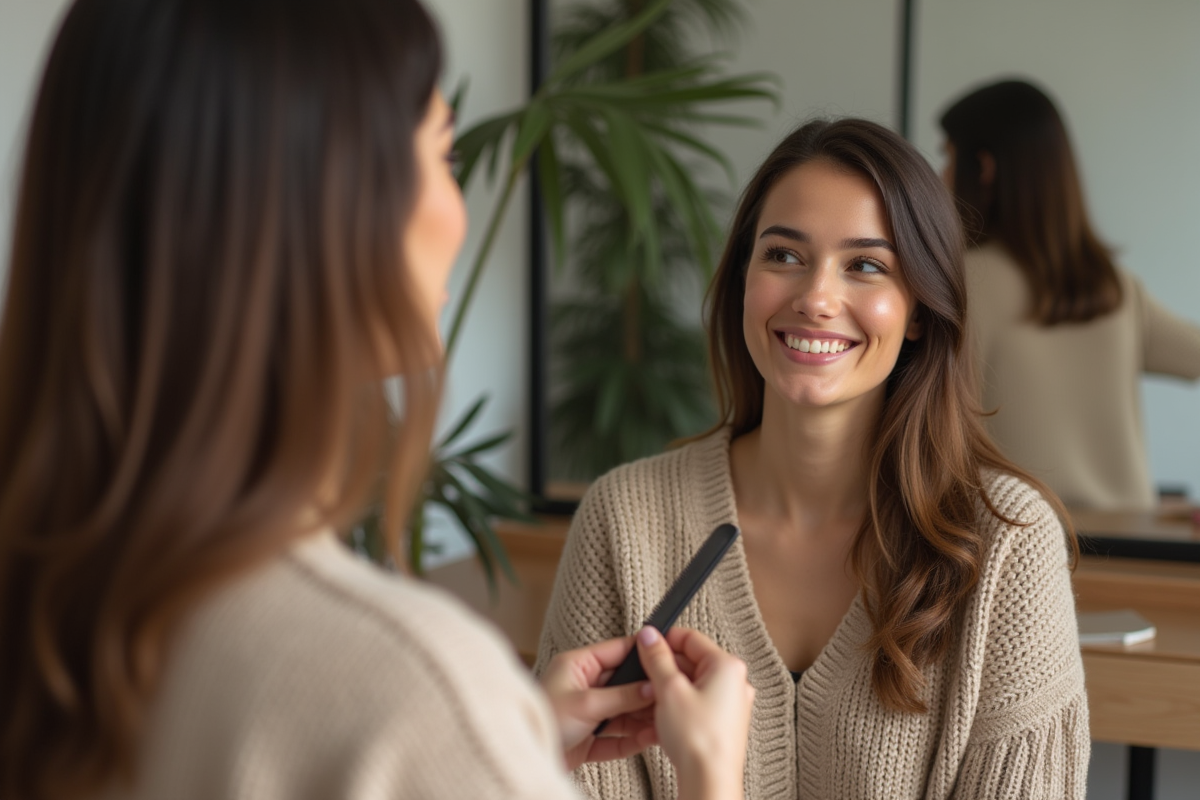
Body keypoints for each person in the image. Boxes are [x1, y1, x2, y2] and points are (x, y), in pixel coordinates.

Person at [0, 1, 756, 799]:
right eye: (444, 153)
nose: (458, 208)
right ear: (326, 209)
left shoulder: (52, 614)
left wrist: (496, 742)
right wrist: (709, 779)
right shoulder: (404, 695)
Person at [536, 118, 1090, 799]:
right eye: (784, 256)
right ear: (744, 278)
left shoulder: (1009, 547)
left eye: (866, 265)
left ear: (918, 308)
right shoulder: (624, 521)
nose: (816, 298)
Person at [938, 78, 1200, 511]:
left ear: (984, 167)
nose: (941, 177)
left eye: (947, 157)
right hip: (1133, 550)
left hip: (1016, 545)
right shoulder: (1114, 287)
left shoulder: (959, 282)